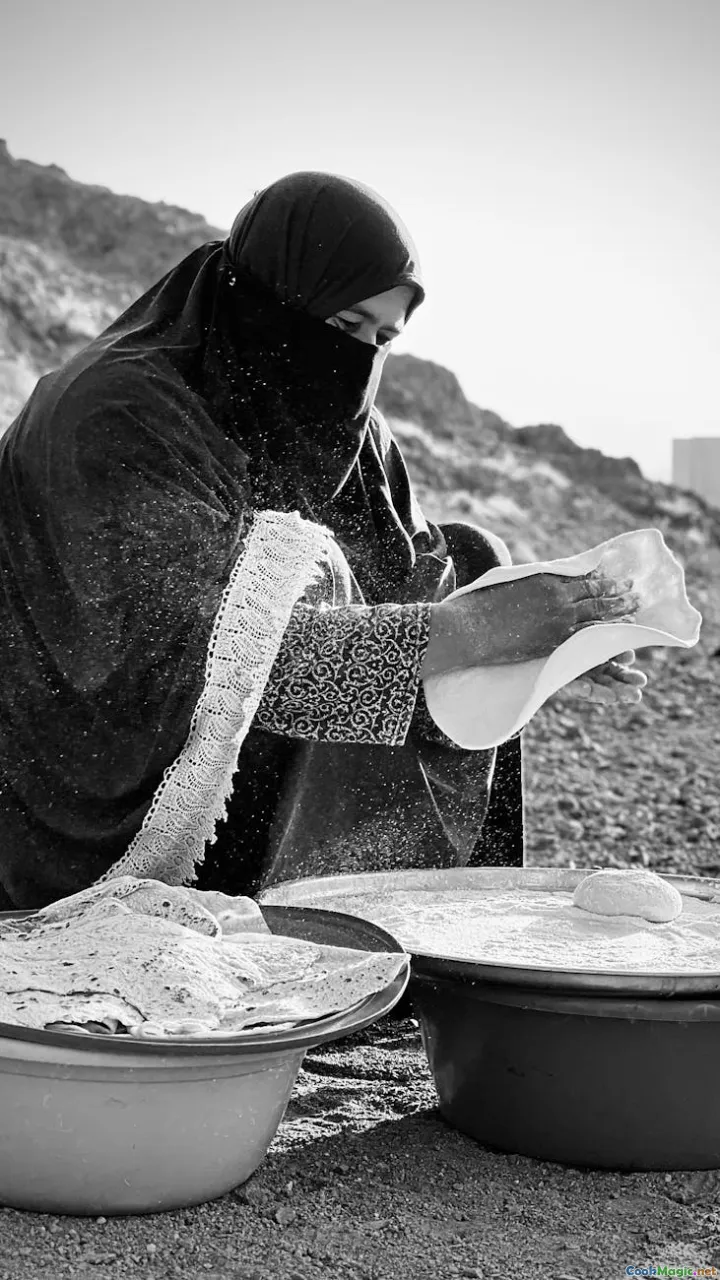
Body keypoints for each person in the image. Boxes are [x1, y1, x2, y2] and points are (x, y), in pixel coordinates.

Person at [0, 172, 644, 910]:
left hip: (244, 743)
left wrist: (545, 630)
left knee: (472, 555)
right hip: (87, 787)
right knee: (314, 576)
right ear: (267, 297)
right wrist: (475, 631)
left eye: (382, 338)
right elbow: (210, 664)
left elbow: (408, 573)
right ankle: (297, 902)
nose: (357, 358)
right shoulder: (118, 413)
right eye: (343, 324)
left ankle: (395, 907)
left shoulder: (349, 429)